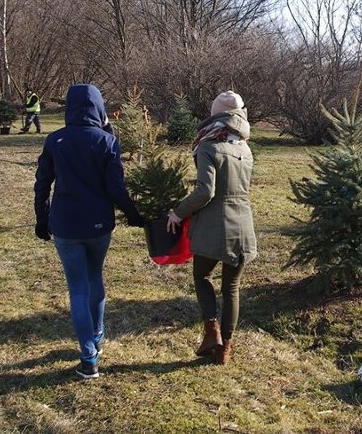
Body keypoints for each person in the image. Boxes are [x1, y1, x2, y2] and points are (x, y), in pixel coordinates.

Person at [34, 84, 145, 379]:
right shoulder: (107, 141)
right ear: (99, 108)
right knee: (94, 278)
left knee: (78, 288)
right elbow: (116, 189)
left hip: (66, 226)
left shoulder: (55, 140)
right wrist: (135, 216)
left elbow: (42, 184)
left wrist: (41, 219)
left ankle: (89, 356)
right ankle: (96, 337)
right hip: (99, 226)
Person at [166, 90, 256, 366]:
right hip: (243, 224)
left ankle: (211, 331)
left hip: (213, 225)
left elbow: (205, 191)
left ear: (216, 115)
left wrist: (177, 213)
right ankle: (225, 349)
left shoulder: (208, 146)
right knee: (232, 287)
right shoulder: (245, 147)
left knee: (202, 276)